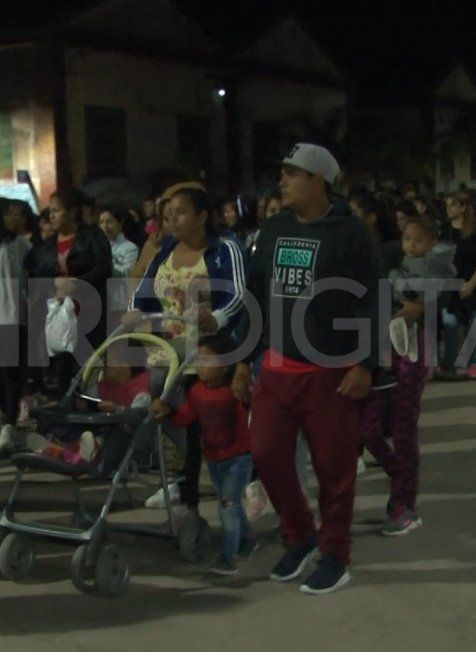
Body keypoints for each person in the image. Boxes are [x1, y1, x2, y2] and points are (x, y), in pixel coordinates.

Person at [234, 143, 381, 595]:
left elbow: (374, 299)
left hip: (332, 373)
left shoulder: (351, 234)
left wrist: (366, 364)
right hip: (277, 368)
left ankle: (335, 555)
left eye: (292, 173)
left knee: (334, 470)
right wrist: (242, 359)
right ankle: (299, 537)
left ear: (319, 181)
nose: (283, 181)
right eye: (283, 172)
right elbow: (255, 297)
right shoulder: (274, 229)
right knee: (267, 455)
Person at [128, 186, 247, 518]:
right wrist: (134, 311)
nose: (171, 221)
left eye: (179, 213)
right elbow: (144, 292)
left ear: (202, 215)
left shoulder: (225, 249)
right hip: (165, 356)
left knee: (203, 432)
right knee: (171, 425)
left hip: (206, 359)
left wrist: (218, 317)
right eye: (167, 215)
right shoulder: (165, 248)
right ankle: (184, 489)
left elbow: (239, 294)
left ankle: (207, 496)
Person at [364, 215, 450, 536]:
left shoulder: (437, 267)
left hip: (413, 352)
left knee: (403, 429)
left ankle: (404, 504)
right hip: (382, 352)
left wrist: (425, 305)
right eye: (407, 238)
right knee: (369, 429)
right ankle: (401, 478)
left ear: (432, 243)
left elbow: (448, 291)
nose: (411, 244)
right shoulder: (388, 262)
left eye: (418, 239)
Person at [152, 332, 257, 576]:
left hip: (238, 459)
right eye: (198, 359)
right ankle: (248, 540)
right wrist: (166, 410)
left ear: (226, 365)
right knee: (230, 503)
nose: (199, 365)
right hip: (215, 459)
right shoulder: (197, 391)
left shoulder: (236, 392)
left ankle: (228, 559)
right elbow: (185, 418)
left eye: (207, 360)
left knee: (226, 506)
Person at [25, 187, 112, 396]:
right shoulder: (46, 246)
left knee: (89, 363)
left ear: (73, 212)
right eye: (50, 211)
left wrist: (78, 283)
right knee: (63, 362)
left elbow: (104, 268)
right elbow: (36, 275)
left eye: (57, 210)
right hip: (58, 312)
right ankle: (67, 409)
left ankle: (91, 408)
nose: (51, 216)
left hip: (89, 310)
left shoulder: (92, 237)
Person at [0, 193, 34, 452]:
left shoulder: (23, 246)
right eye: (8, 213)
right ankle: (6, 413)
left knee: (9, 373)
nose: (14, 218)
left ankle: (9, 424)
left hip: (13, 317)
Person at [441, 191, 476, 378]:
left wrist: (472, 283)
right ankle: (448, 364)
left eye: (453, 205)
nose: (449, 209)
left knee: (473, 325)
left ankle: (473, 363)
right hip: (450, 284)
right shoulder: (444, 229)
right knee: (450, 325)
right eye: (447, 205)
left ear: (463, 207)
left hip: (473, 283)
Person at [98, 205, 139, 322]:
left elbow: (128, 273)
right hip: (100, 301)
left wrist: (106, 263)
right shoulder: (97, 247)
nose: (105, 227)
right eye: (101, 222)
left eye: (109, 222)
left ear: (119, 223)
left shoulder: (129, 248)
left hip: (119, 303)